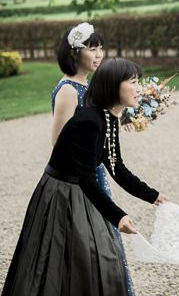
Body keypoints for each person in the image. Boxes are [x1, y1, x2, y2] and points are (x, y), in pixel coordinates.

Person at [2, 58, 170, 296]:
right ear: (113, 86)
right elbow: (87, 178)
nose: (139, 88)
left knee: (103, 257)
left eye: (139, 81)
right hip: (59, 194)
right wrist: (118, 215)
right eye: (133, 82)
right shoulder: (89, 121)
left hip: (81, 192)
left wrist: (153, 196)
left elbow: (116, 167)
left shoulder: (109, 118)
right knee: (60, 263)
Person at [51, 22, 136, 295]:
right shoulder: (68, 90)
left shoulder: (88, 84)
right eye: (92, 49)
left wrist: (119, 120)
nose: (99, 55)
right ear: (75, 53)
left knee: (105, 241)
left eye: (100, 49)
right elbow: (60, 142)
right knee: (86, 245)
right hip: (79, 179)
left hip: (95, 173)